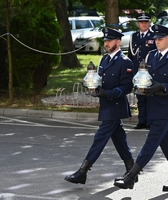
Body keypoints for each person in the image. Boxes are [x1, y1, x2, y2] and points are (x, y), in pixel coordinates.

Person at [114, 24, 168, 191]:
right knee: (167, 144)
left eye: (160, 39)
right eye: (155, 39)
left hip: (167, 107)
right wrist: (140, 86)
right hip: (153, 106)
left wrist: (163, 86)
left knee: (151, 142)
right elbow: (144, 78)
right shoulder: (151, 56)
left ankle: (131, 176)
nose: (157, 42)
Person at [64, 27, 136, 185]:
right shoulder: (104, 59)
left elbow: (126, 87)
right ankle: (132, 173)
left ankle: (83, 171)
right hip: (106, 105)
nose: (106, 43)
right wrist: (92, 85)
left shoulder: (125, 62)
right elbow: (99, 79)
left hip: (115, 105)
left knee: (100, 138)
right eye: (105, 40)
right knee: (120, 140)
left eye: (109, 40)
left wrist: (107, 93)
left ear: (118, 41)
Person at [128, 12, 156, 129]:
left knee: (150, 97)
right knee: (140, 97)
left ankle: (150, 121)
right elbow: (131, 55)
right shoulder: (133, 37)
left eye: (146, 22)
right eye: (141, 22)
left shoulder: (154, 36)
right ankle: (142, 121)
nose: (143, 24)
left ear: (149, 23)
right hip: (138, 72)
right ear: (138, 24)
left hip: (149, 72)